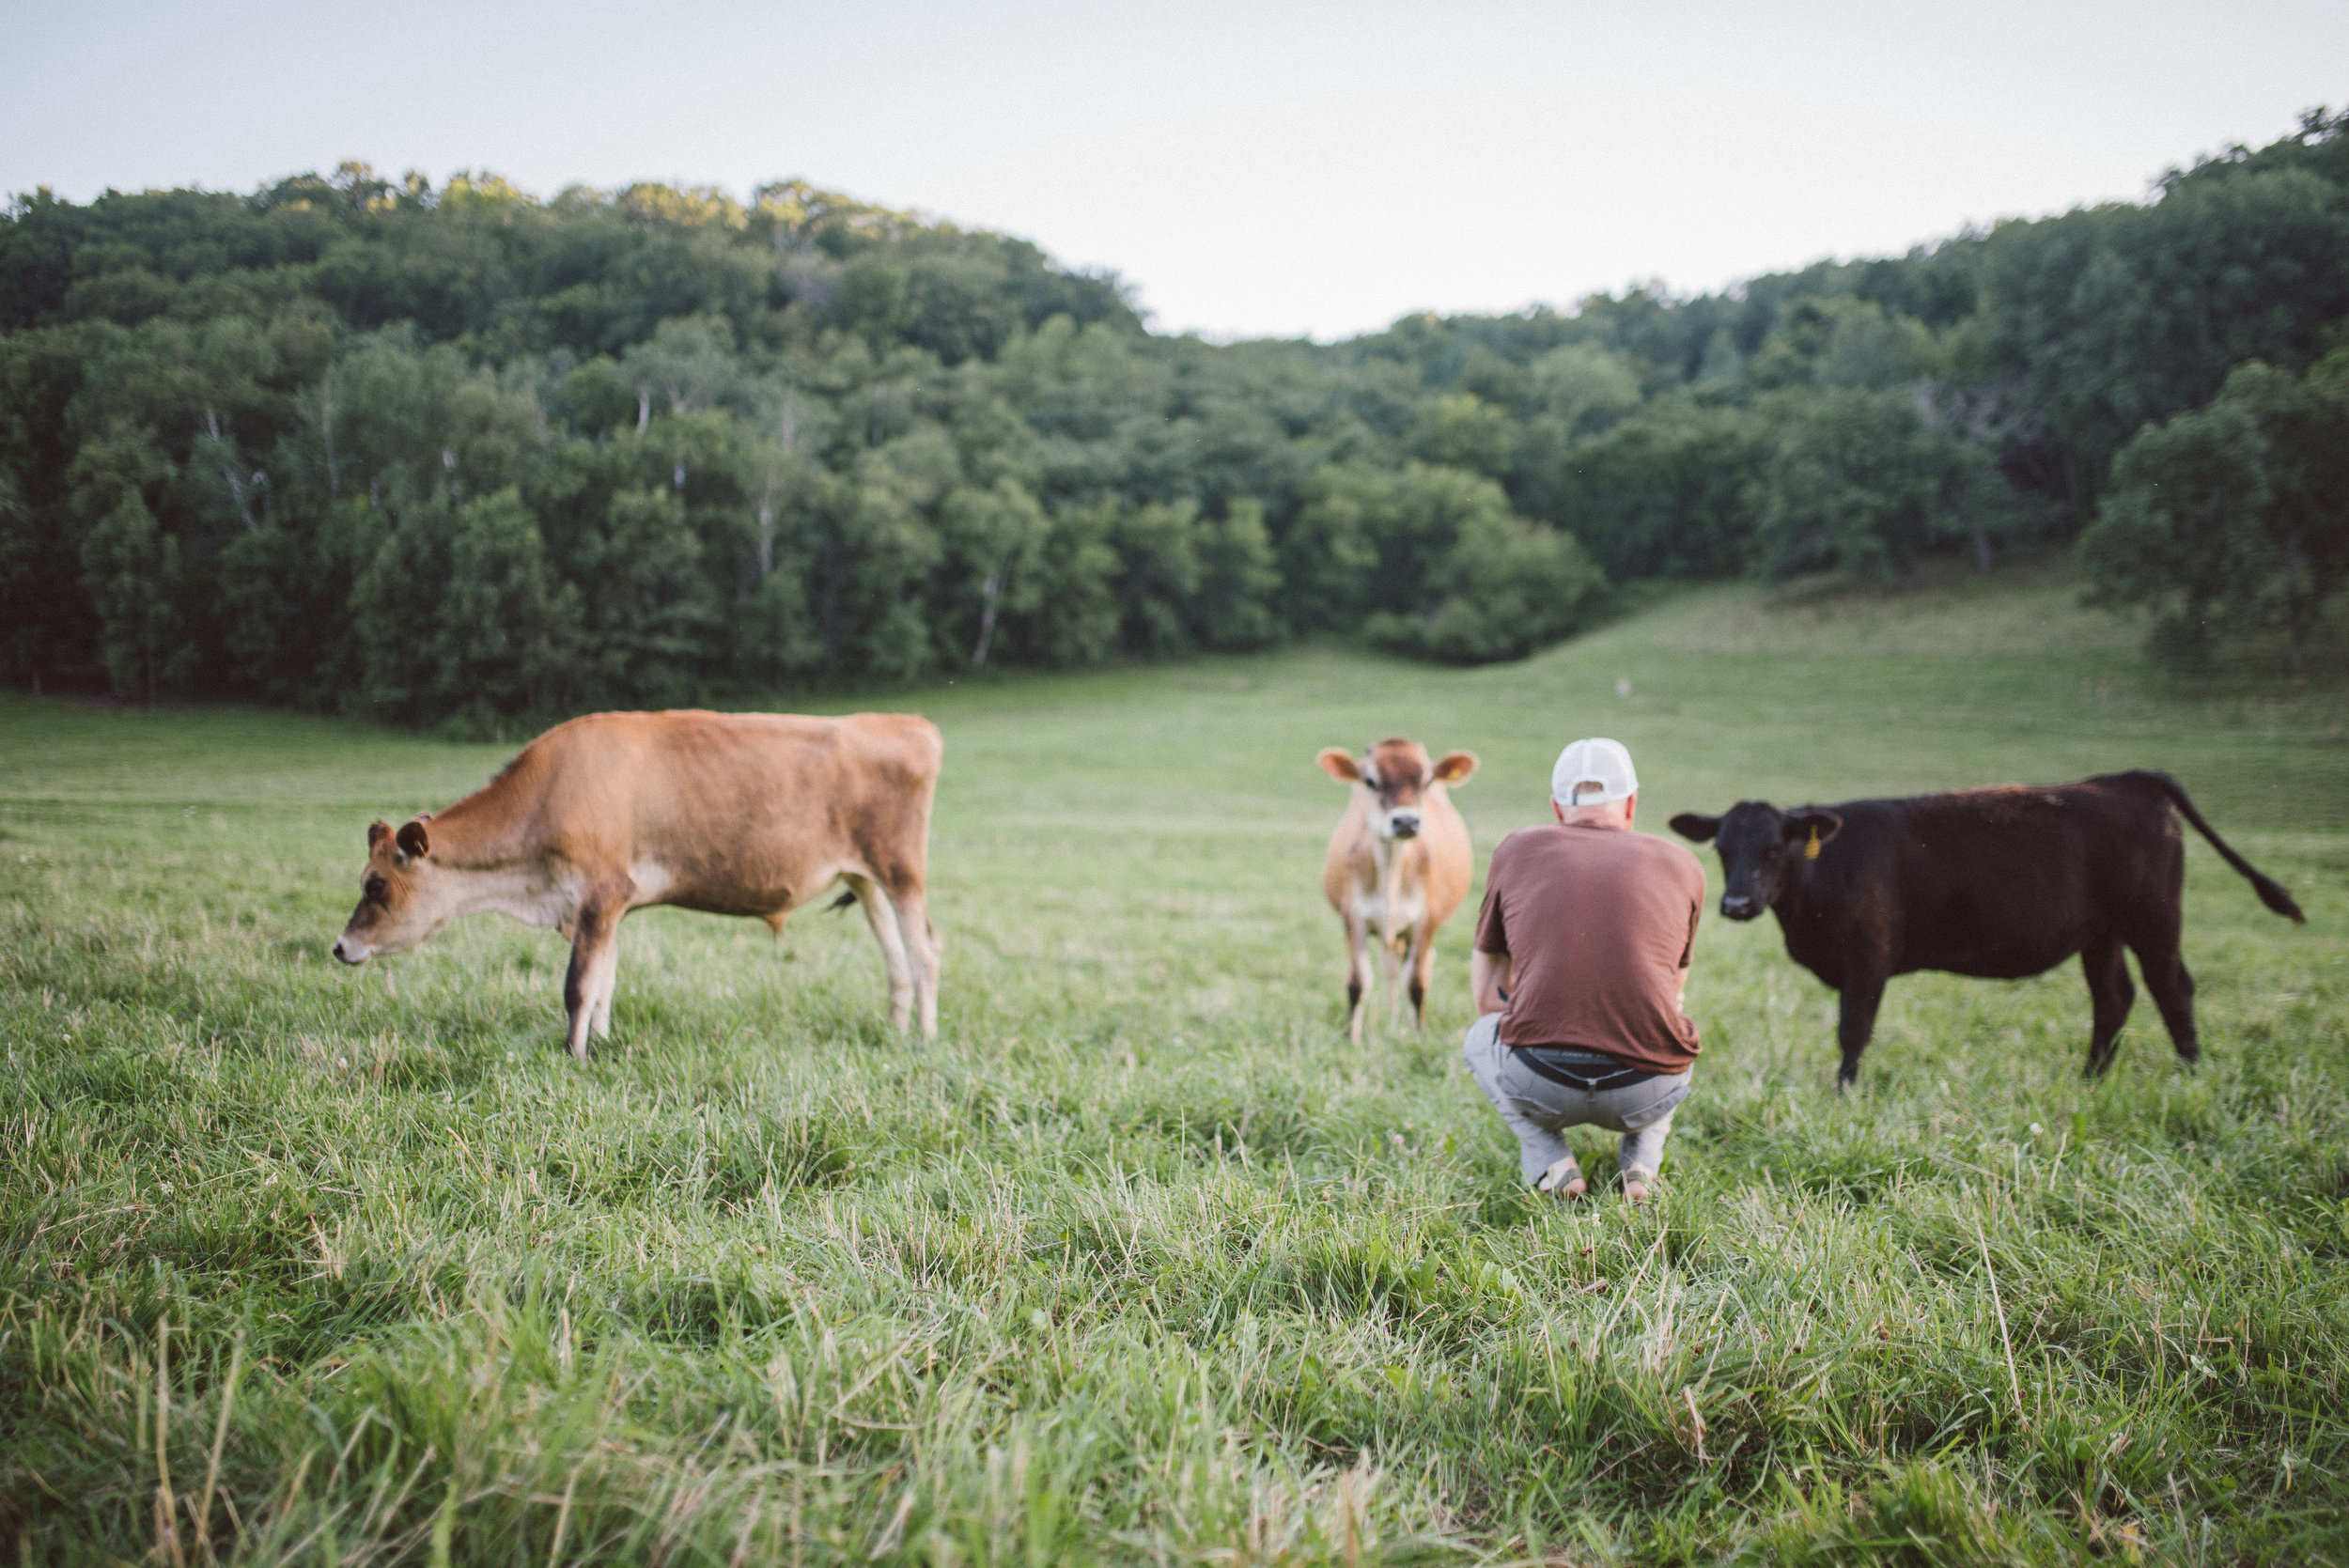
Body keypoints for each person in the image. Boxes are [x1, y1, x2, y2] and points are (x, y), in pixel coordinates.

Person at [1462, 737, 1705, 1203]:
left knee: (1480, 1036)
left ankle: (1550, 1161)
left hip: (1542, 1081)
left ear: (1556, 807)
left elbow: (1487, 998)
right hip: (1646, 1086)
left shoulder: (1515, 850)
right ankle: (1642, 1164)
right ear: (1631, 803)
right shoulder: (1684, 863)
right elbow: (1675, 993)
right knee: (1677, 1028)